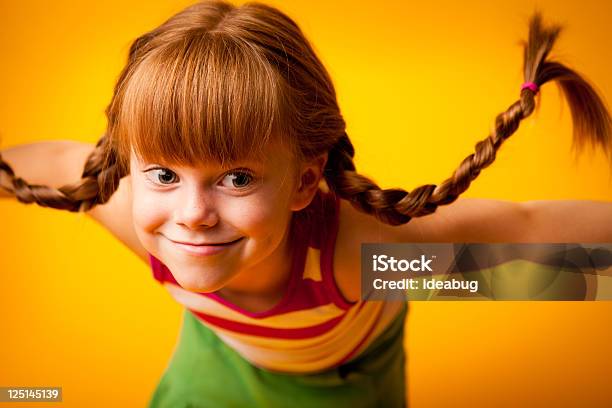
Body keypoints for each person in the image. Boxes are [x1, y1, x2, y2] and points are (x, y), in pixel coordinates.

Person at [0, 1, 611, 406]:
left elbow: (534, 245)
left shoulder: (357, 259)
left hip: (345, 380)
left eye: (237, 178)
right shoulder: (131, 212)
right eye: (163, 173)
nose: (192, 213)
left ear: (302, 181)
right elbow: (53, 160)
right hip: (218, 356)